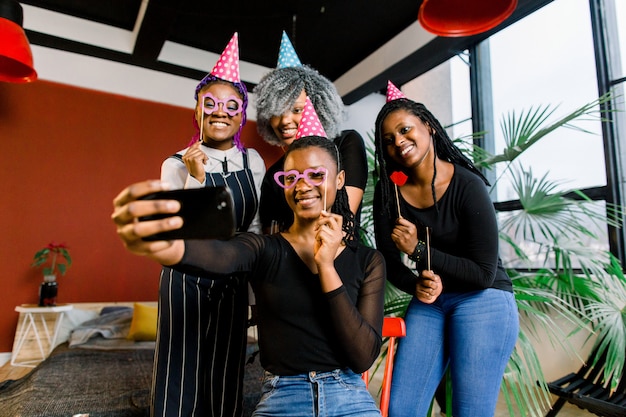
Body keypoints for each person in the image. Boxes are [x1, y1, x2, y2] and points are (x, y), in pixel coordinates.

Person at [112, 106, 386, 416]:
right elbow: (218, 256)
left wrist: (325, 267)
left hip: (349, 396)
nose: (302, 185)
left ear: (339, 180)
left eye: (316, 175)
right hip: (284, 395)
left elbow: (363, 356)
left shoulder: (368, 261)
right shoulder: (264, 249)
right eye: (291, 177)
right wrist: (163, 242)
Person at [372, 82, 519, 417]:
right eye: (389, 140)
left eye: (405, 129)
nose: (398, 142)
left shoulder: (467, 184)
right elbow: (389, 262)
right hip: (433, 303)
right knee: (400, 409)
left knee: (469, 412)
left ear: (430, 127)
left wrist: (419, 250)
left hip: (483, 298)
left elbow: (483, 273)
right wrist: (416, 285)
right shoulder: (389, 193)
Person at [154, 33, 266, 417]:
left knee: (226, 364)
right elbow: (176, 231)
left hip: (234, 274)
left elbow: (255, 230)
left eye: (231, 105)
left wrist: (253, 292)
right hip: (184, 276)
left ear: (241, 115)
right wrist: (196, 175)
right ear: (198, 109)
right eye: (211, 103)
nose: (221, 111)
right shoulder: (174, 164)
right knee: (179, 364)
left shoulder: (253, 162)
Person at [253, 31, 368, 233]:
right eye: (276, 112)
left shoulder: (346, 144)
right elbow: (271, 237)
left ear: (318, 106)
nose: (285, 120)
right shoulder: (274, 176)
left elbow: (342, 220)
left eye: (296, 109)